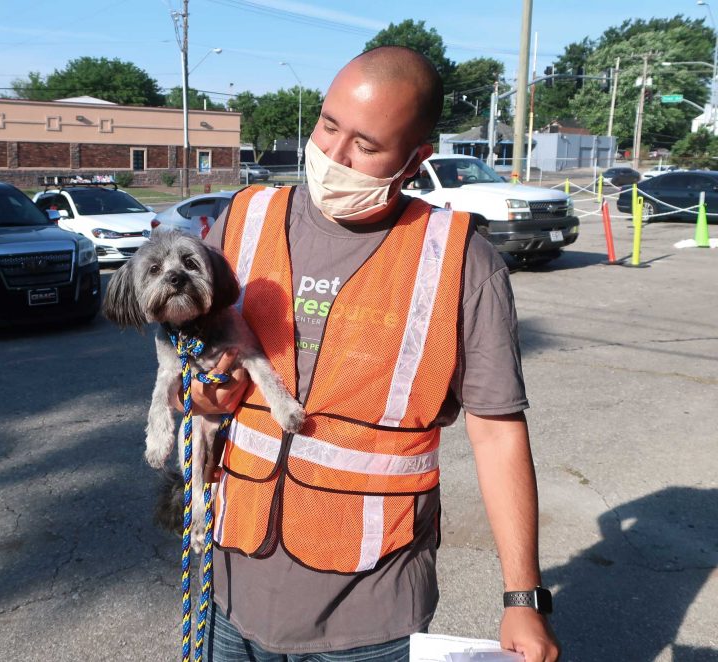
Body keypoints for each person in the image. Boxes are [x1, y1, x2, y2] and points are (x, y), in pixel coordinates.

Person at [191, 46, 560, 662]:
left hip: (370, 613)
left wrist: (523, 600)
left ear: (416, 159)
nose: (332, 157)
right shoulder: (244, 219)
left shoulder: (463, 262)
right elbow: (197, 362)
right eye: (328, 126)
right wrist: (202, 396)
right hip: (231, 589)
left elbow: (497, 434)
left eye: (365, 146)